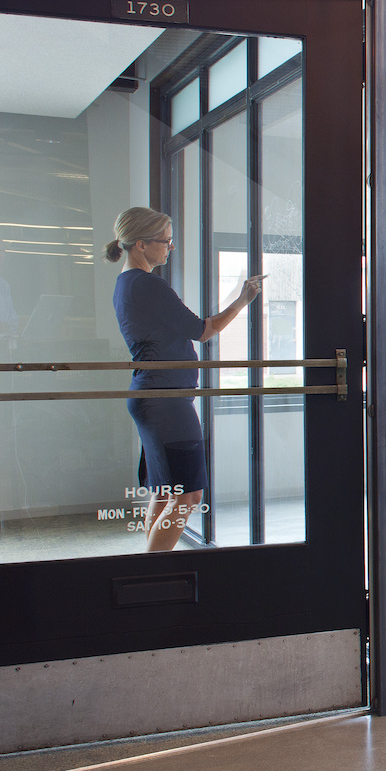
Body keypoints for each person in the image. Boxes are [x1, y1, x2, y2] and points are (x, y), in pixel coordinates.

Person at [107, 206, 262, 551]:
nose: (171, 247)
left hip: (152, 396)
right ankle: (154, 570)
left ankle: (153, 567)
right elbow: (202, 330)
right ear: (141, 244)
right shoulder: (148, 284)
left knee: (166, 492)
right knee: (188, 495)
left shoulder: (125, 283)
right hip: (166, 400)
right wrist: (243, 300)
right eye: (166, 241)